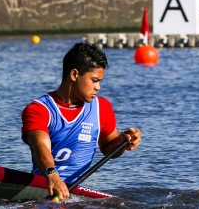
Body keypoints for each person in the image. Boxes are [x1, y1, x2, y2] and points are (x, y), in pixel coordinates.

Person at [20, 42, 142, 202]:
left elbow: (109, 148)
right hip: (42, 191)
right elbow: (40, 147)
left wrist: (123, 142)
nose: (98, 87)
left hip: (75, 195)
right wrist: (53, 176)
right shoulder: (39, 110)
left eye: (100, 82)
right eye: (94, 80)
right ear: (74, 74)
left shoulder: (102, 108)